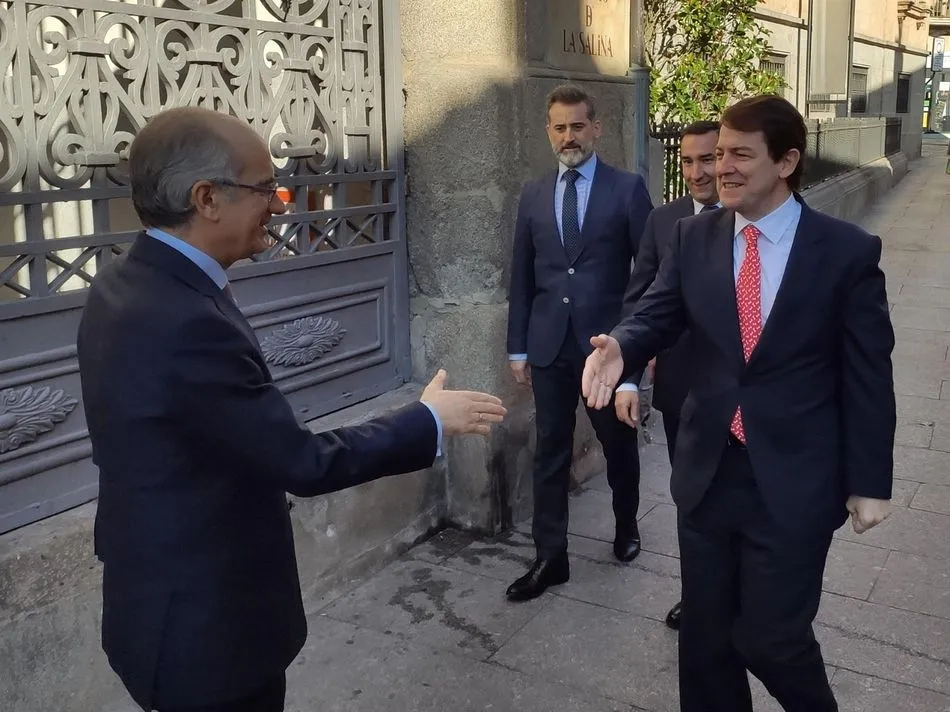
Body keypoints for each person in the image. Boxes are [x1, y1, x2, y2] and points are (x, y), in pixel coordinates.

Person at [76, 106, 507, 712]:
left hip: (152, 603)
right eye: (262, 188)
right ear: (207, 198)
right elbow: (301, 462)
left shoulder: (122, 281)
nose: (280, 203)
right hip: (208, 636)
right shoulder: (184, 320)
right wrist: (428, 419)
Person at [581, 95, 895, 712]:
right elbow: (657, 313)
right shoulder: (694, 237)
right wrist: (621, 347)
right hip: (709, 470)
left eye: (739, 155)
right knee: (705, 640)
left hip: (796, 478)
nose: (720, 167)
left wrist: (869, 480)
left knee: (771, 638)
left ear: (786, 162)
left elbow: (867, 376)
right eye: (719, 152)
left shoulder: (845, 252)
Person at [505, 84, 653, 602]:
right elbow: (522, 275)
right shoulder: (533, 193)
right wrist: (517, 348)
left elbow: (650, 273)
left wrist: (632, 349)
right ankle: (551, 558)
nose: (568, 136)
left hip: (605, 352)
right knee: (549, 451)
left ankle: (626, 525)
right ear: (549, 132)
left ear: (596, 128)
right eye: (559, 127)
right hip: (548, 347)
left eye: (577, 126)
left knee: (617, 445)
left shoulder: (627, 189)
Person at [616, 120, 722, 630]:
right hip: (683, 390)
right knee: (692, 498)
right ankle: (699, 594)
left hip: (746, 395)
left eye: (709, 159)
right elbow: (640, 304)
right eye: (687, 161)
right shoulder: (664, 220)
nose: (698, 172)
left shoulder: (754, 218)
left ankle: (741, 590)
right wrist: (630, 376)